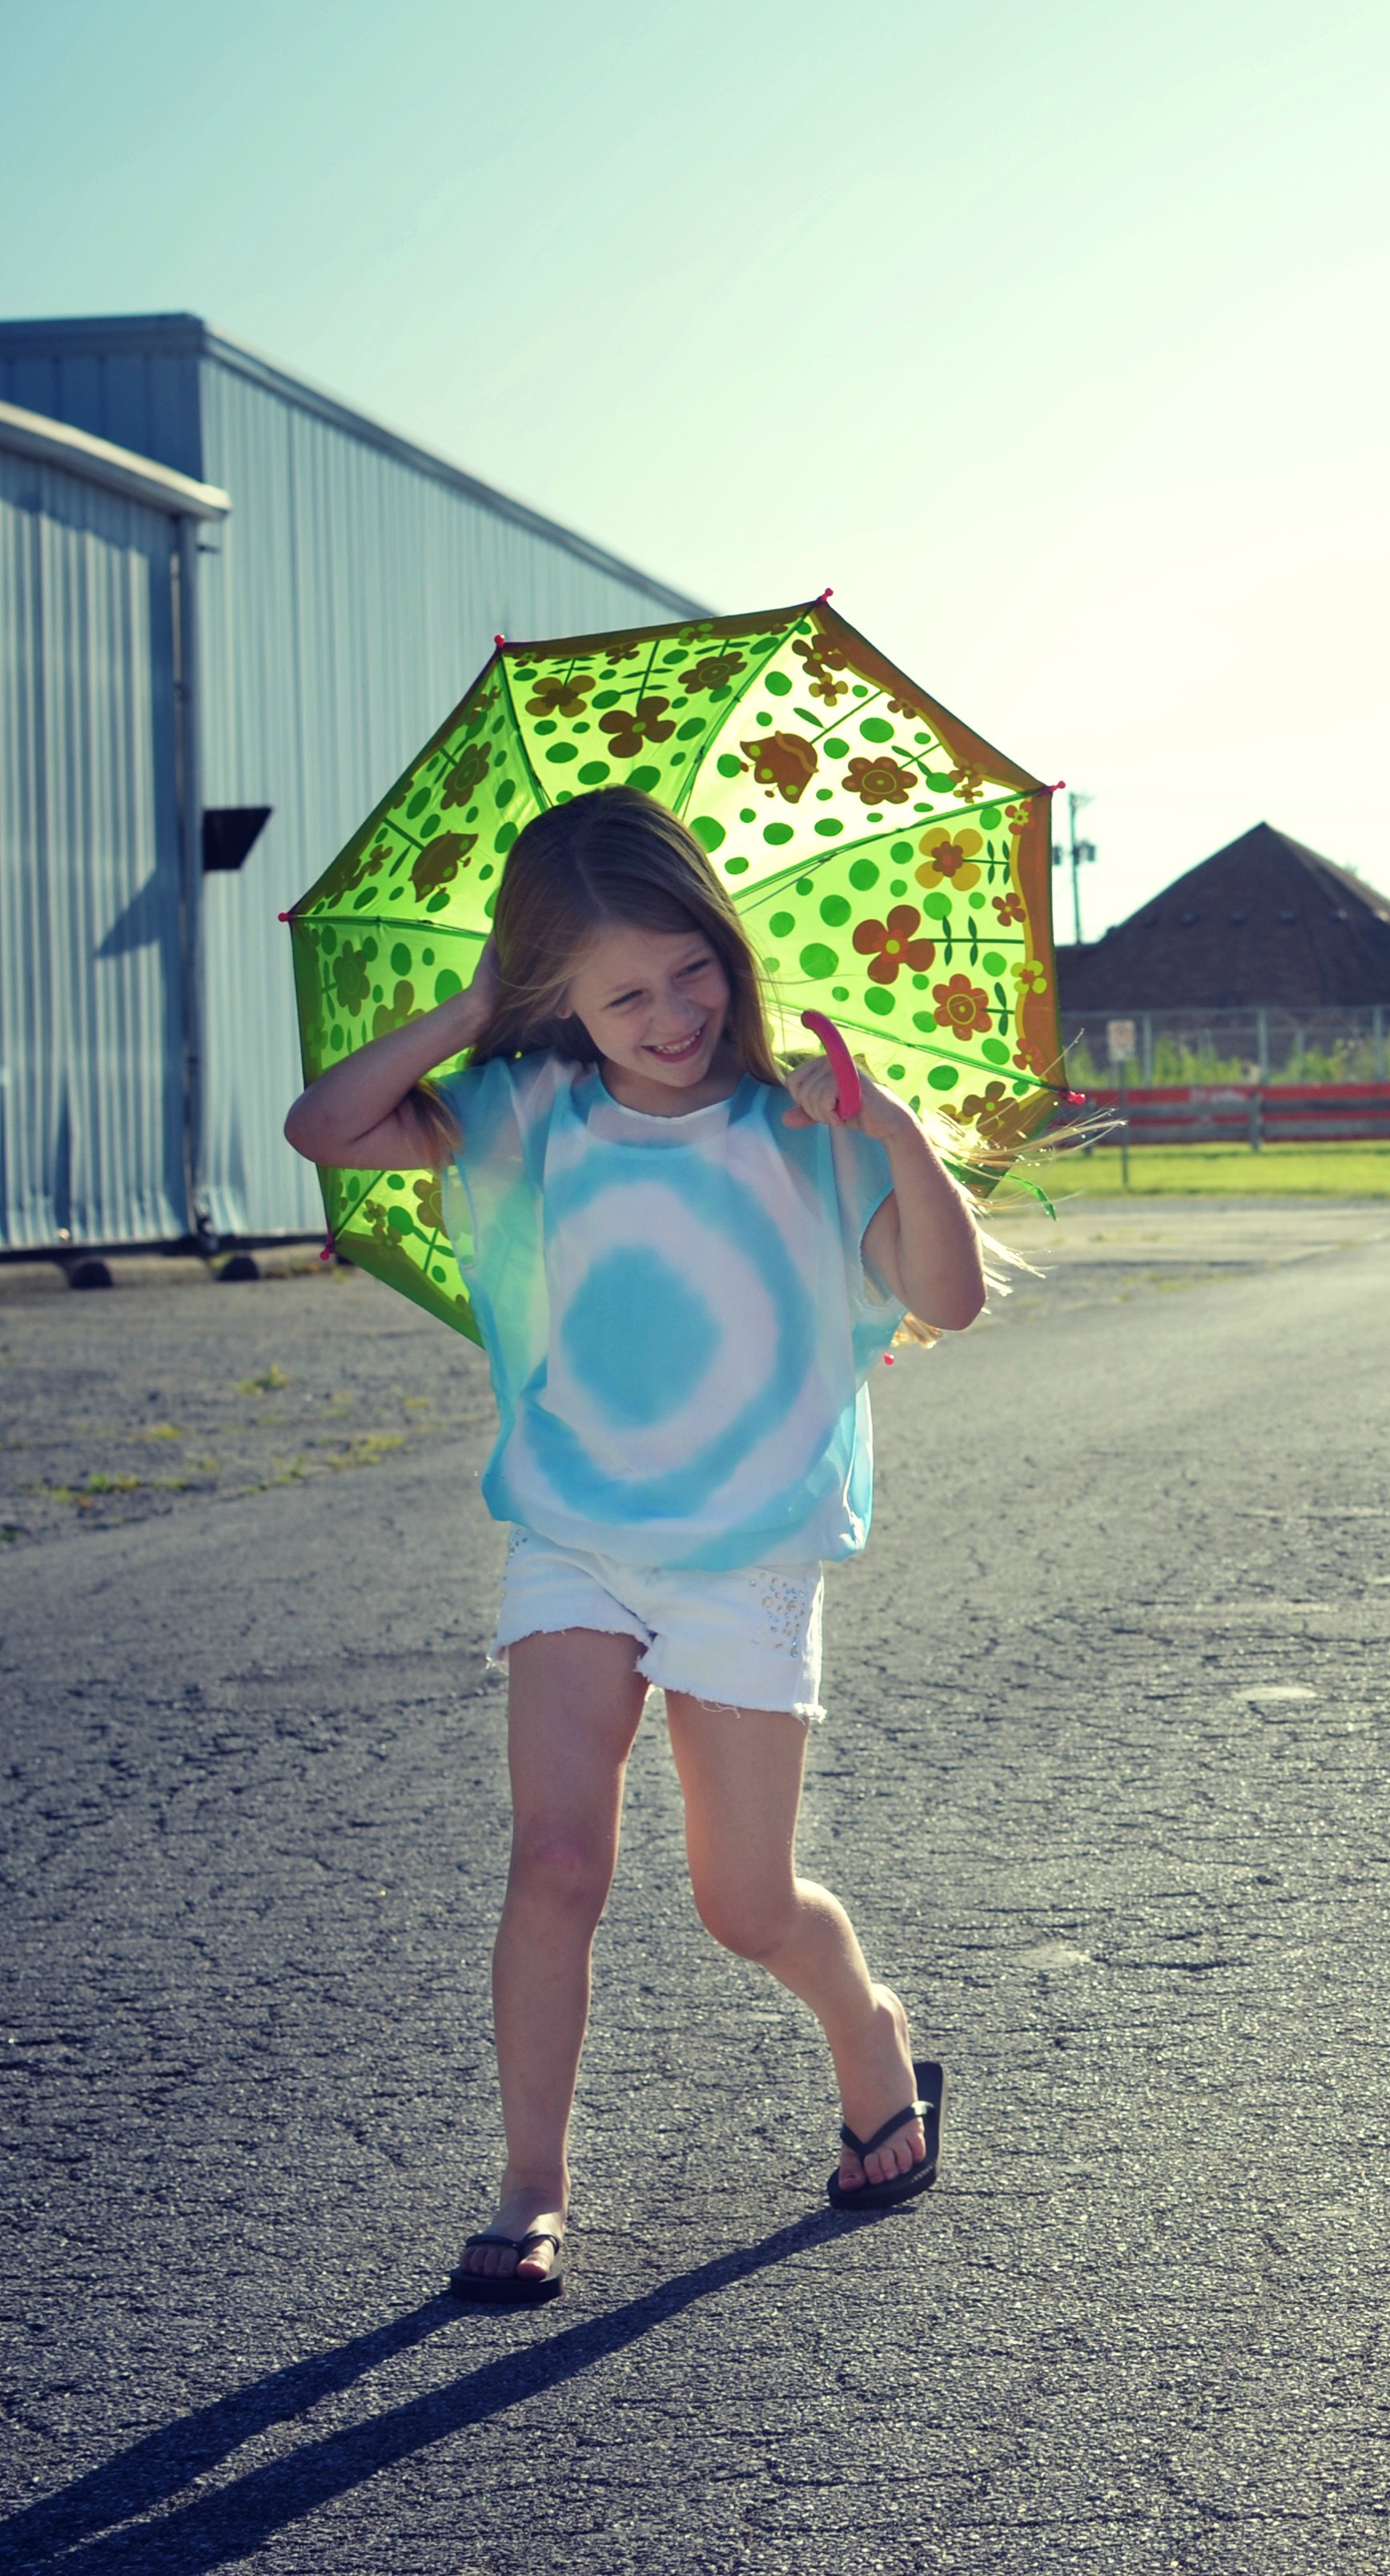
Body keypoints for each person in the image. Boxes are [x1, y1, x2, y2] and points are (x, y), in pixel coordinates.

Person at [284, 788, 990, 2305]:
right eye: (621, 996)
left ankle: (868, 2030)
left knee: (744, 1904)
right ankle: (530, 2184)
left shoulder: (808, 1128)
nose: (671, 1017)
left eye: (691, 972)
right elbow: (322, 1127)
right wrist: (475, 1009)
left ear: (728, 949)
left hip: (748, 1548)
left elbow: (949, 1300)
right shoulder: (521, 1110)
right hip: (575, 1532)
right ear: (558, 997)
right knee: (555, 1860)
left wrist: (897, 1135)